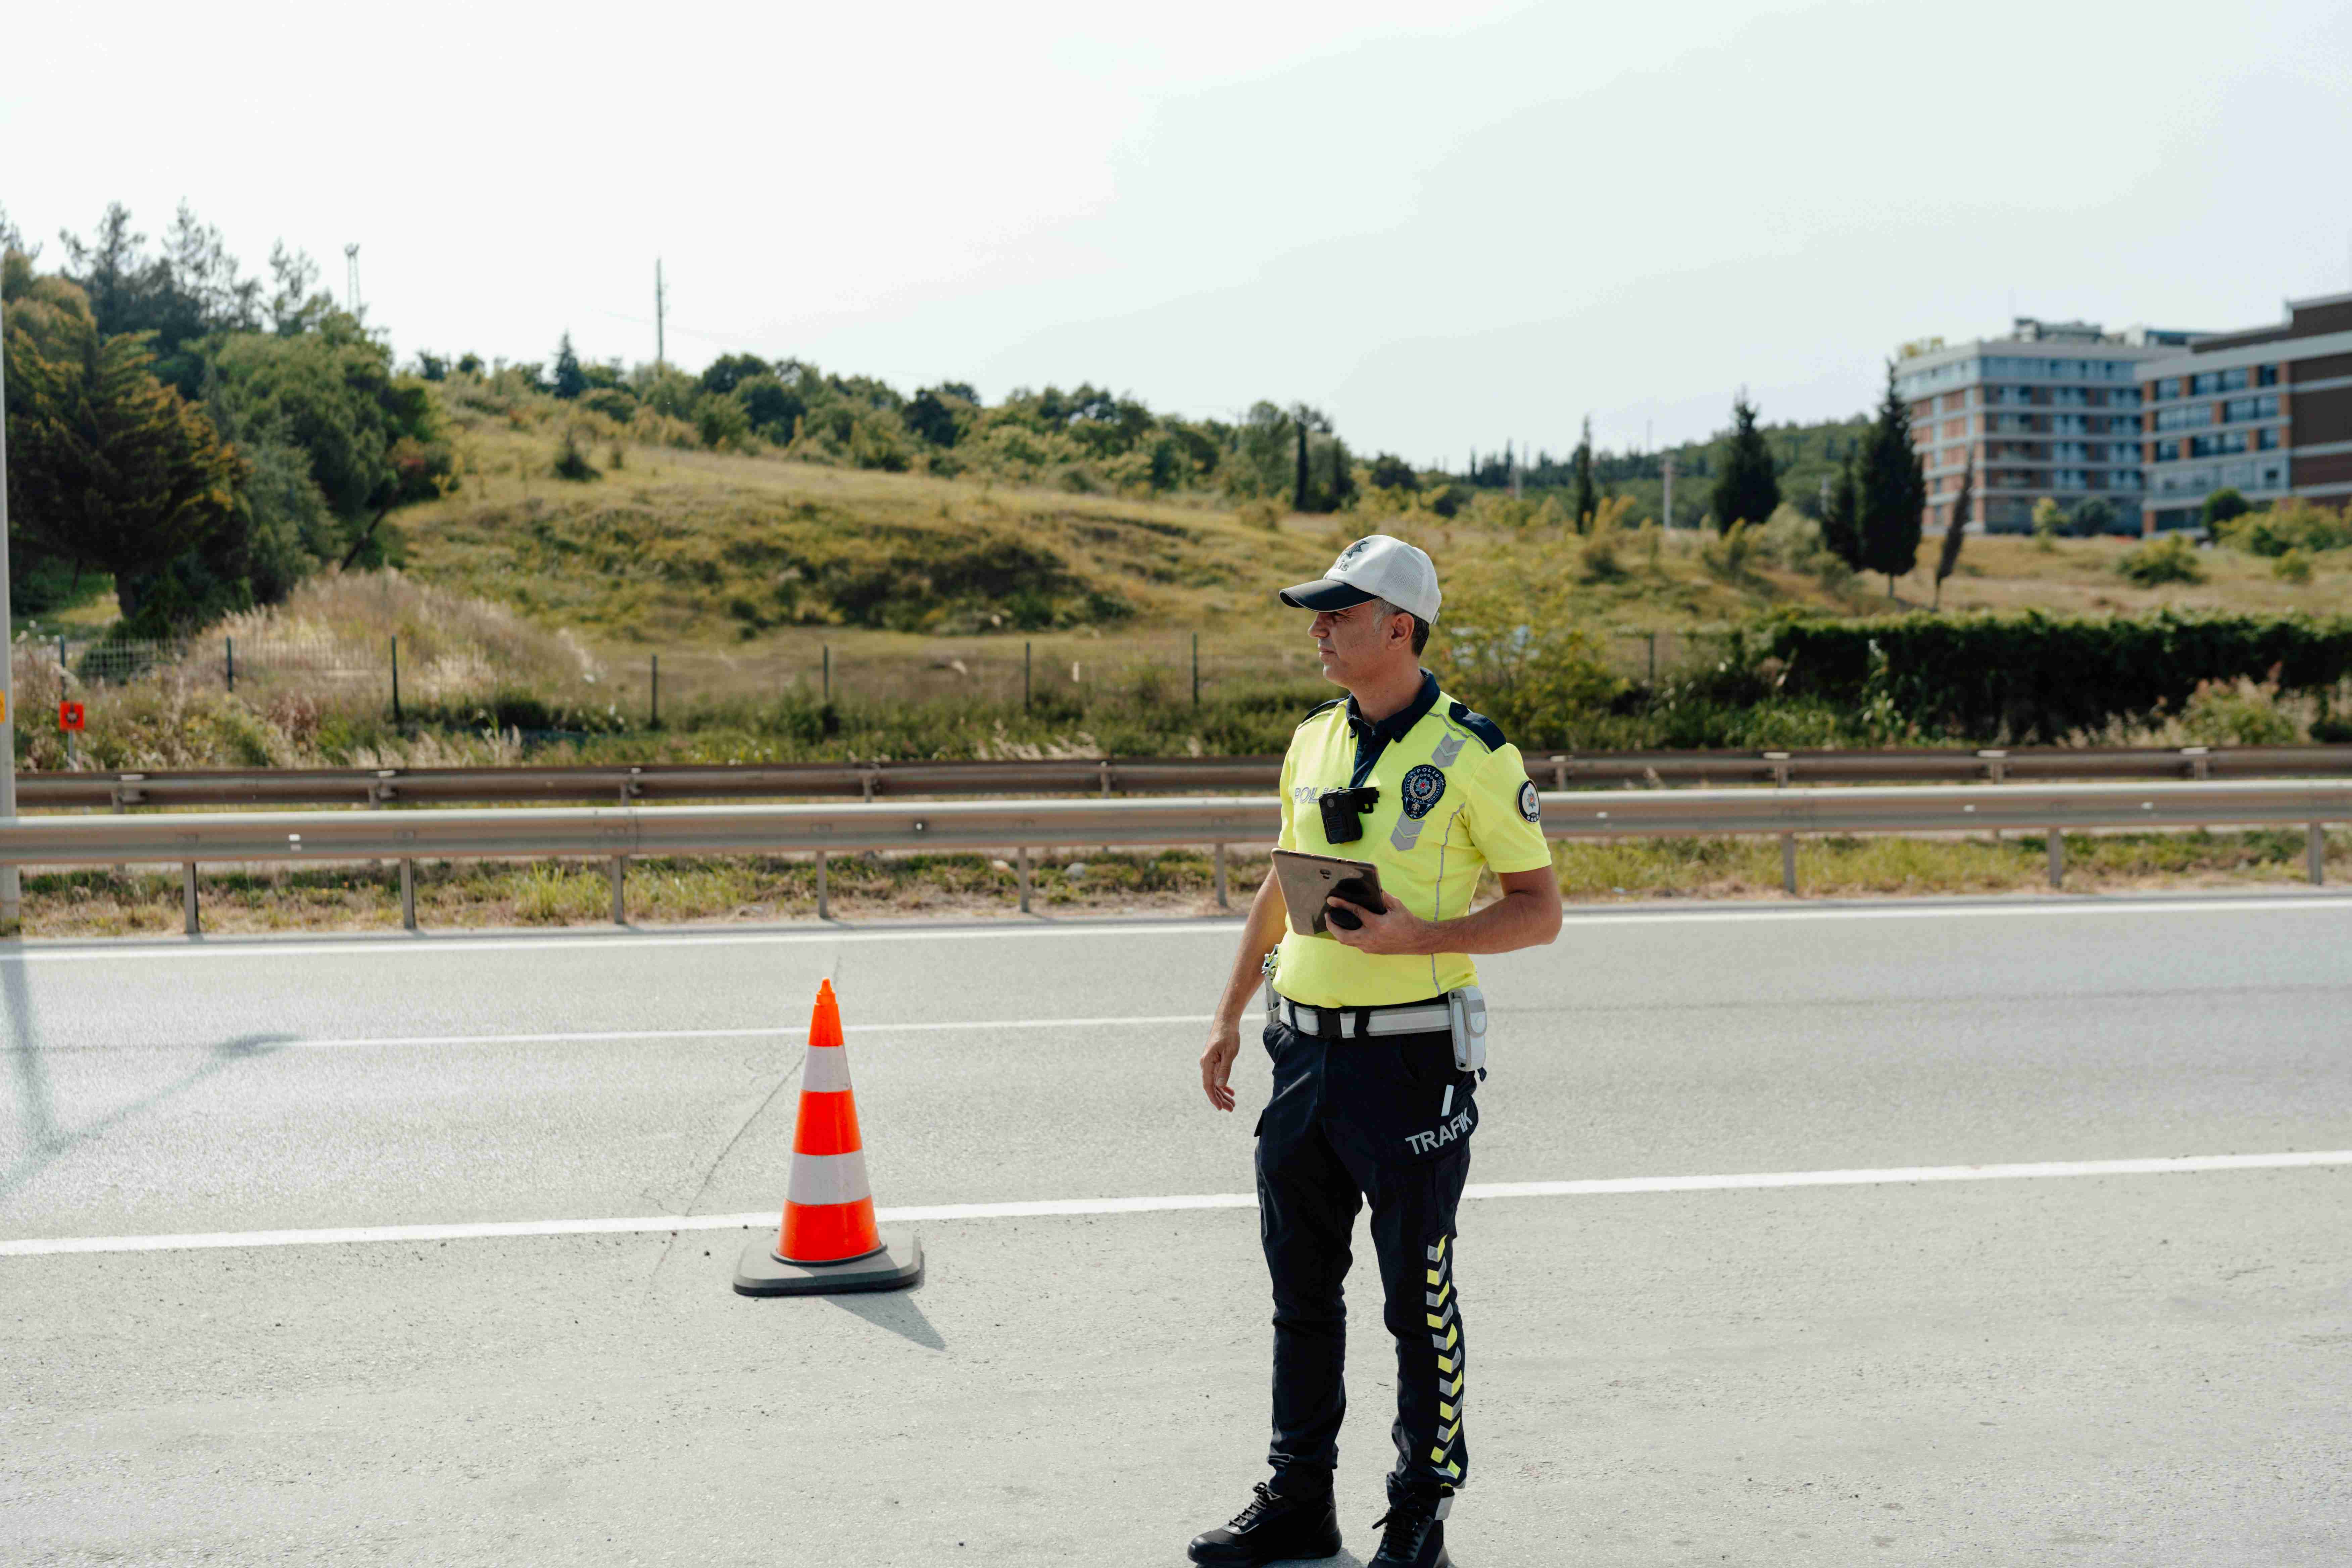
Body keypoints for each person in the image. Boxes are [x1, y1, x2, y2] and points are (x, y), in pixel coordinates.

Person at [1189, 535, 1564, 1568]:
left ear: (1398, 627)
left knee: (1416, 1298)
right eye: (1316, 613)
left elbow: (1539, 913)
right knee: (1301, 1295)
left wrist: (1421, 939)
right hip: (1301, 1055)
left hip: (1410, 1065)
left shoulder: (1473, 754)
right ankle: (1300, 1496)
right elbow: (1280, 880)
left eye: (1338, 614)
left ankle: (1420, 1512)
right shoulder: (1312, 738)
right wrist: (1228, 1015)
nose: (1318, 629)